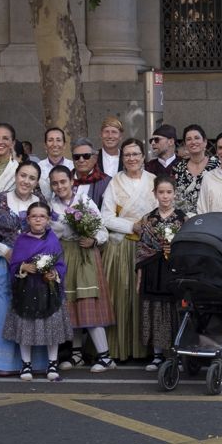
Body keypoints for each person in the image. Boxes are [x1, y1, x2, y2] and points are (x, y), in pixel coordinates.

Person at [0, 160, 49, 375]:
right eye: (23, 175)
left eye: (32, 178)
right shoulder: (1, 200)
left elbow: (48, 233)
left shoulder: (40, 203)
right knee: (0, 312)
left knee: (28, 312)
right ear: (16, 176)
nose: (26, 181)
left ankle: (29, 362)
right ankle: (0, 363)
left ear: (36, 183)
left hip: (31, 267)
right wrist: (4, 251)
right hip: (2, 262)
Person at [48, 165, 116, 372]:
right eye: (55, 183)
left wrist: (93, 239)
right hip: (65, 254)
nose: (60, 186)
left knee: (87, 302)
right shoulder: (51, 206)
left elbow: (102, 229)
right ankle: (77, 354)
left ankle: (105, 357)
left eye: (63, 181)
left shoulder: (84, 201)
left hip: (85, 253)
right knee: (71, 304)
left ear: (71, 181)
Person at [0, 199, 70, 380]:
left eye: (42, 216)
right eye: (34, 216)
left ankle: (52, 363)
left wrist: (54, 273)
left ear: (48, 220)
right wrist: (24, 267)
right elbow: (14, 264)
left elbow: (60, 264)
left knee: (51, 327)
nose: (38, 220)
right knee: (26, 327)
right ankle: (26, 364)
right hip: (27, 290)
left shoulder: (53, 240)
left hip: (48, 291)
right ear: (28, 219)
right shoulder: (21, 240)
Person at [101, 138, 158, 362]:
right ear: (122, 158)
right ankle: (119, 348)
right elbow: (105, 217)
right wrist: (131, 226)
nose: (132, 158)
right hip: (122, 246)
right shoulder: (115, 182)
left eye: (136, 154)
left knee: (144, 298)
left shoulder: (153, 181)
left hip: (149, 247)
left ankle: (148, 349)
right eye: (127, 155)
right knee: (122, 296)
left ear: (143, 156)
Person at [134, 175, 186, 371]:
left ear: (175, 193)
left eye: (169, 192)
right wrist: (140, 274)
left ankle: (177, 354)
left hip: (174, 270)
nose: (165, 197)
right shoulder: (148, 219)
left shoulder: (183, 218)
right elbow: (141, 248)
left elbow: (187, 246)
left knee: (176, 311)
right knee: (154, 310)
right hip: (152, 269)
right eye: (161, 192)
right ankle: (157, 355)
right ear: (155, 194)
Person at [172, 123, 216, 216]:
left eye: (197, 138)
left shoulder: (217, 165)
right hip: (183, 221)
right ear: (185, 144)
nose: (193, 142)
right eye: (189, 139)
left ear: (205, 142)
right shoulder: (178, 168)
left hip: (211, 218)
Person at [68, 138, 111, 209]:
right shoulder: (64, 180)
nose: (81, 160)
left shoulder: (107, 182)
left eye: (86, 156)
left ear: (95, 158)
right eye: (76, 157)